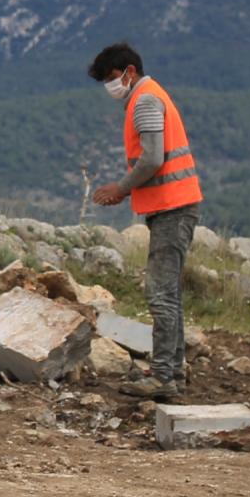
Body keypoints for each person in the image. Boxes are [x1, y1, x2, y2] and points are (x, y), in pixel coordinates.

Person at [87, 42, 204, 400]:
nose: (111, 86)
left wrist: (119, 189)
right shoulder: (149, 95)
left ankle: (165, 377)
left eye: (111, 78)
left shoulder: (146, 101)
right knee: (168, 294)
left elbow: (153, 158)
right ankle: (173, 372)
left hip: (172, 207)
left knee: (160, 295)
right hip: (173, 205)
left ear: (129, 72)